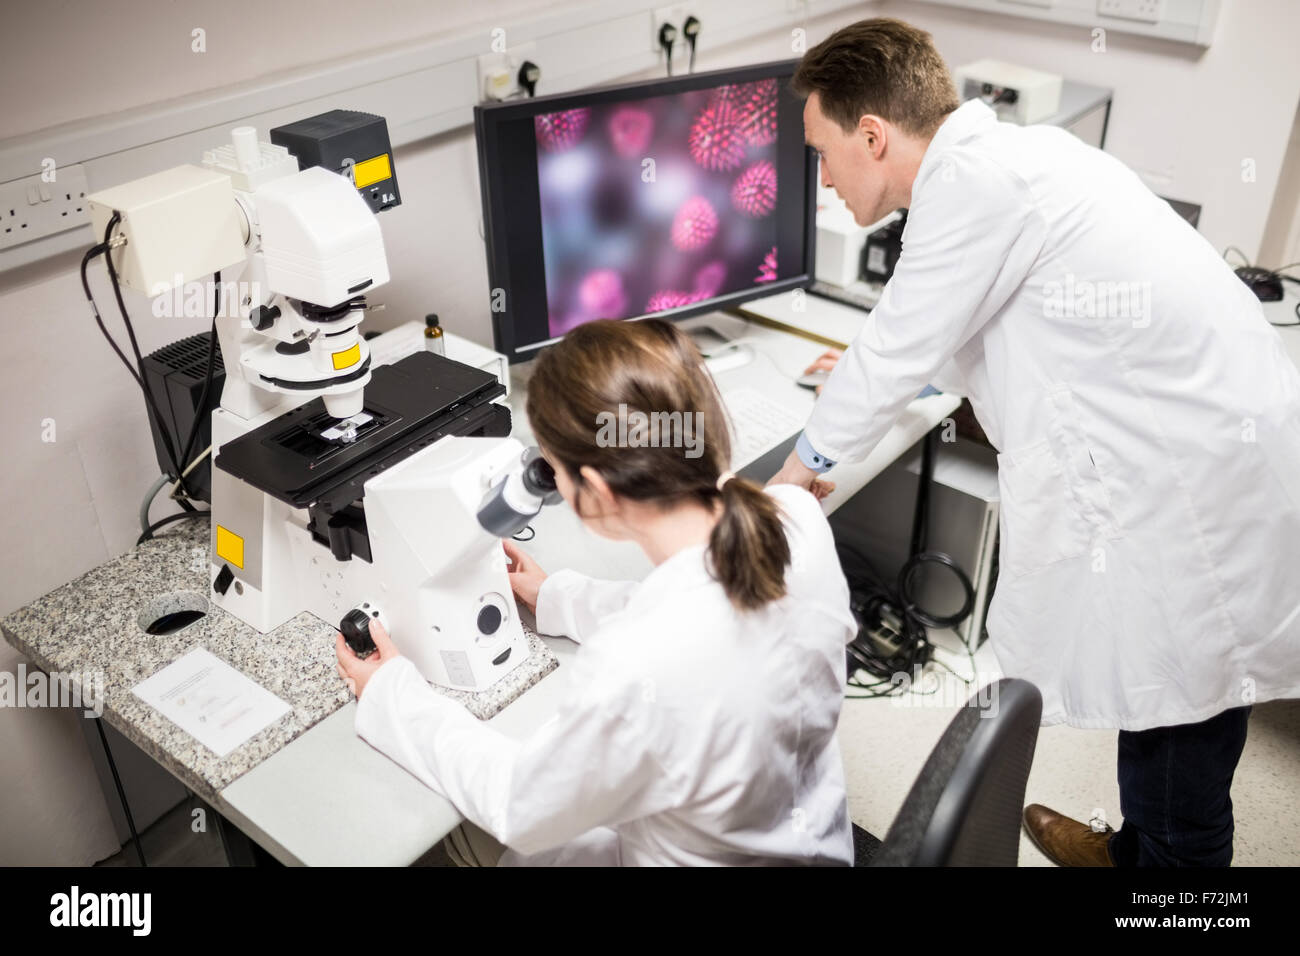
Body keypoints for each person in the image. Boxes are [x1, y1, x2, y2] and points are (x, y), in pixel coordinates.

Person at [768, 17, 1300, 867]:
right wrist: (891, 376)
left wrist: (795, 476)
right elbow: (969, 318)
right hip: (1207, 441)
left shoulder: (974, 183)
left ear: (871, 135)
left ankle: (1172, 881)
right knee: (1167, 689)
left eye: (822, 154)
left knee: (1184, 707)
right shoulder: (1009, 161)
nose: (822, 178)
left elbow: (897, 342)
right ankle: (1133, 849)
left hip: (1197, 481)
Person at [336, 318, 858, 865]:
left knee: (514, 852)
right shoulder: (794, 518)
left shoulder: (633, 667)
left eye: (552, 471)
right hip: (807, 841)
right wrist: (557, 596)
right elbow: (697, 611)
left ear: (599, 491)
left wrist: (392, 694)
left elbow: (519, 804)